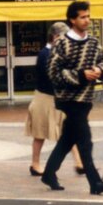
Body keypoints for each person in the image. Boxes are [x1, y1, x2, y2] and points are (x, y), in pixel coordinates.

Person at [40, 1, 103, 195]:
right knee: (85, 140)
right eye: (82, 17)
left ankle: (48, 173)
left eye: (88, 16)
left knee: (68, 139)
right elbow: (53, 72)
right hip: (69, 100)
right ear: (72, 19)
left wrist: (99, 70)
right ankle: (95, 182)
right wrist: (81, 75)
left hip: (85, 99)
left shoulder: (93, 43)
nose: (87, 20)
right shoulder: (62, 43)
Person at [26, 21, 84, 176]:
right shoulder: (45, 54)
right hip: (45, 99)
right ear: (55, 37)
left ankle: (79, 162)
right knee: (40, 134)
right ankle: (35, 164)